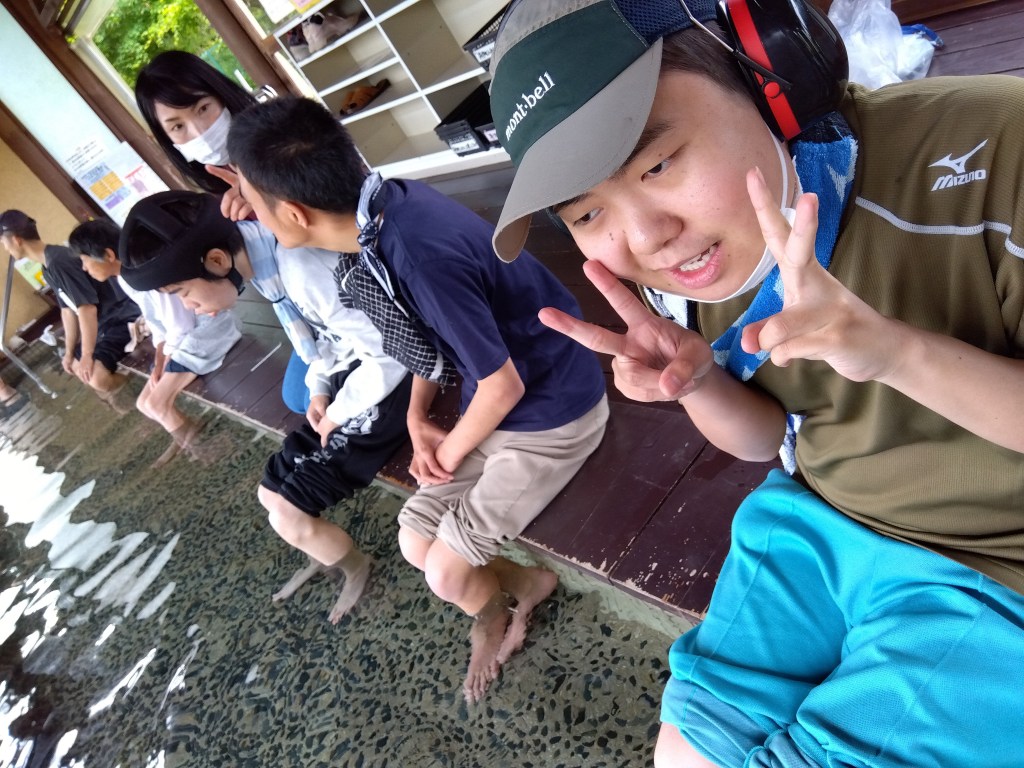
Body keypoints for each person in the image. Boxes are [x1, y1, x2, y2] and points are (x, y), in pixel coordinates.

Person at [487, 1, 1024, 766]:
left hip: (995, 562)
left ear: (768, 70)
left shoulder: (996, 146)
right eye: (587, 213)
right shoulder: (694, 267)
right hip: (823, 524)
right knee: (686, 751)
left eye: (657, 165)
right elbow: (767, 436)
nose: (645, 239)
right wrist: (698, 384)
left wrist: (895, 353)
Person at [222, 95, 609, 703]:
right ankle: (525, 584)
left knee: (445, 573)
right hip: (503, 402)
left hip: (552, 413)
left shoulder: (414, 252)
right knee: (413, 538)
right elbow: (424, 337)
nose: (249, 216)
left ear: (293, 214)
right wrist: (416, 414)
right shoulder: (383, 209)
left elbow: (503, 385)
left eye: (252, 204)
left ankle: (491, 616)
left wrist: (448, 452)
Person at [118, 190, 412, 624]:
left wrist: (336, 411)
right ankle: (322, 551)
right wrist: (319, 390)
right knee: (269, 493)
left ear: (216, 260)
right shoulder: (265, 266)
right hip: (351, 374)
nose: (187, 306)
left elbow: (392, 352)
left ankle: (355, 566)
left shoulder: (299, 269)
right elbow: (323, 339)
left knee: (290, 515)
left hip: (393, 379)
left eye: (182, 292)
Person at [135, 49, 310, 415]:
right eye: (177, 127)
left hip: (349, 287)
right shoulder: (216, 194)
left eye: (202, 108)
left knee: (309, 396)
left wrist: (268, 197)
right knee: (297, 397)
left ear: (223, 96)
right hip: (305, 313)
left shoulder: (290, 137)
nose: (199, 132)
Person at [68, 218, 241, 466]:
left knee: (156, 403)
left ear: (108, 255)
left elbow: (180, 324)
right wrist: (160, 359)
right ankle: (186, 434)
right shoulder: (126, 279)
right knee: (143, 404)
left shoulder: (143, 274)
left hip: (206, 334)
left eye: (85, 260)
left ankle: (205, 451)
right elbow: (158, 325)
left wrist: (166, 359)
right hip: (183, 340)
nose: (85, 268)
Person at [0, 210, 140, 408]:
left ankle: (134, 385)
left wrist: (86, 355)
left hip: (121, 317)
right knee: (75, 365)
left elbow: (87, 309)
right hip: (105, 324)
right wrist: (68, 353)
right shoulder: (48, 267)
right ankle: (120, 403)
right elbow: (67, 310)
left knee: (96, 378)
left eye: (3, 243)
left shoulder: (59, 261)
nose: (5, 248)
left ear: (16, 240)